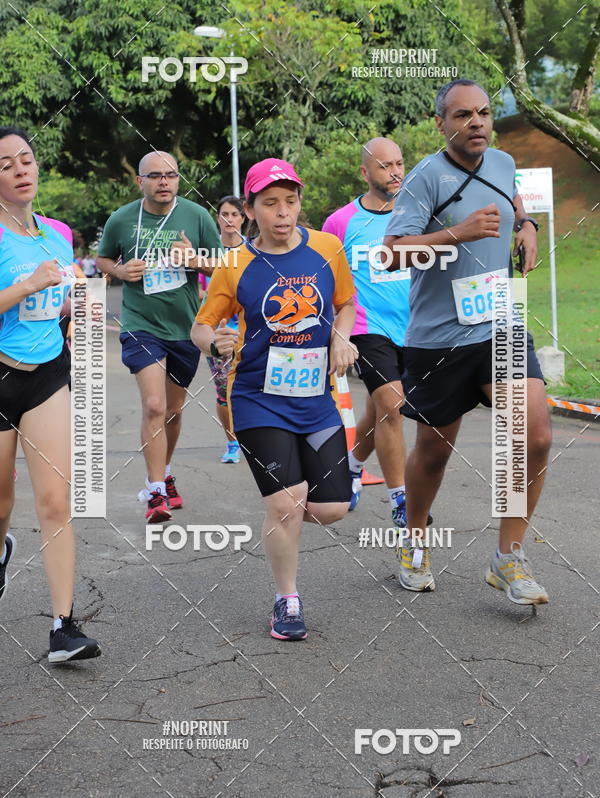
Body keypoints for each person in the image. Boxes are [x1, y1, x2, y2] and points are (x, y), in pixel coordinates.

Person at [383, 79, 551, 603]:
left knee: (536, 436)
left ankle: (509, 558)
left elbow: (513, 199)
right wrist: (457, 233)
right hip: (438, 339)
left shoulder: (501, 162)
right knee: (433, 453)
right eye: (462, 115)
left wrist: (527, 228)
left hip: (498, 322)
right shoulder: (424, 179)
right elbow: (390, 253)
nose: (475, 122)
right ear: (442, 124)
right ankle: (414, 539)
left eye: (482, 113)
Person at [191, 158, 357, 640]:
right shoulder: (236, 264)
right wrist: (214, 341)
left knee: (331, 509)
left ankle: (291, 499)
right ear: (250, 210)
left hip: (316, 398)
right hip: (257, 399)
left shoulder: (327, 248)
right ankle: (287, 599)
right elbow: (201, 326)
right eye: (270, 204)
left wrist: (339, 338)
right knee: (286, 504)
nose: (282, 213)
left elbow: (345, 303)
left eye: (290, 201)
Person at [0, 126, 101, 662]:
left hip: (46, 374)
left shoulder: (58, 235)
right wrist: (27, 287)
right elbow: (28, 291)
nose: (20, 169)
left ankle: (64, 626)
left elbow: (63, 302)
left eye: (26, 159)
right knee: (1, 501)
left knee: (56, 501)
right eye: (6, 164)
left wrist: (76, 307)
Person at [96, 151, 222, 522]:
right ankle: (154, 494)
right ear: (140, 181)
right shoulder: (122, 218)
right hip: (140, 323)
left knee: (172, 411)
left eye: (170, 175)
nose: (163, 182)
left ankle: (164, 475)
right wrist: (120, 270)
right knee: (153, 405)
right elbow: (103, 260)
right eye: (154, 176)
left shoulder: (196, 216)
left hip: (184, 325)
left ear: (178, 179)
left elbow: (225, 264)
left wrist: (194, 259)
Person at [323, 138, 430, 528]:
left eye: (400, 163)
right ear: (365, 173)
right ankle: (401, 500)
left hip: (416, 328)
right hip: (368, 329)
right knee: (392, 404)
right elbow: (330, 283)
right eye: (385, 166)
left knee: (381, 409)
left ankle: (351, 466)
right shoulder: (340, 223)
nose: (396, 171)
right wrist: (336, 335)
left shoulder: (420, 214)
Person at [198, 196, 246, 464]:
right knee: (223, 391)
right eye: (224, 214)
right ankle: (231, 442)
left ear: (243, 218)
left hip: (249, 330)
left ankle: (255, 438)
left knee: (252, 386)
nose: (229, 219)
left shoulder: (252, 250)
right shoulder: (208, 253)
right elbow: (197, 288)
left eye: (234, 214)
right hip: (218, 332)